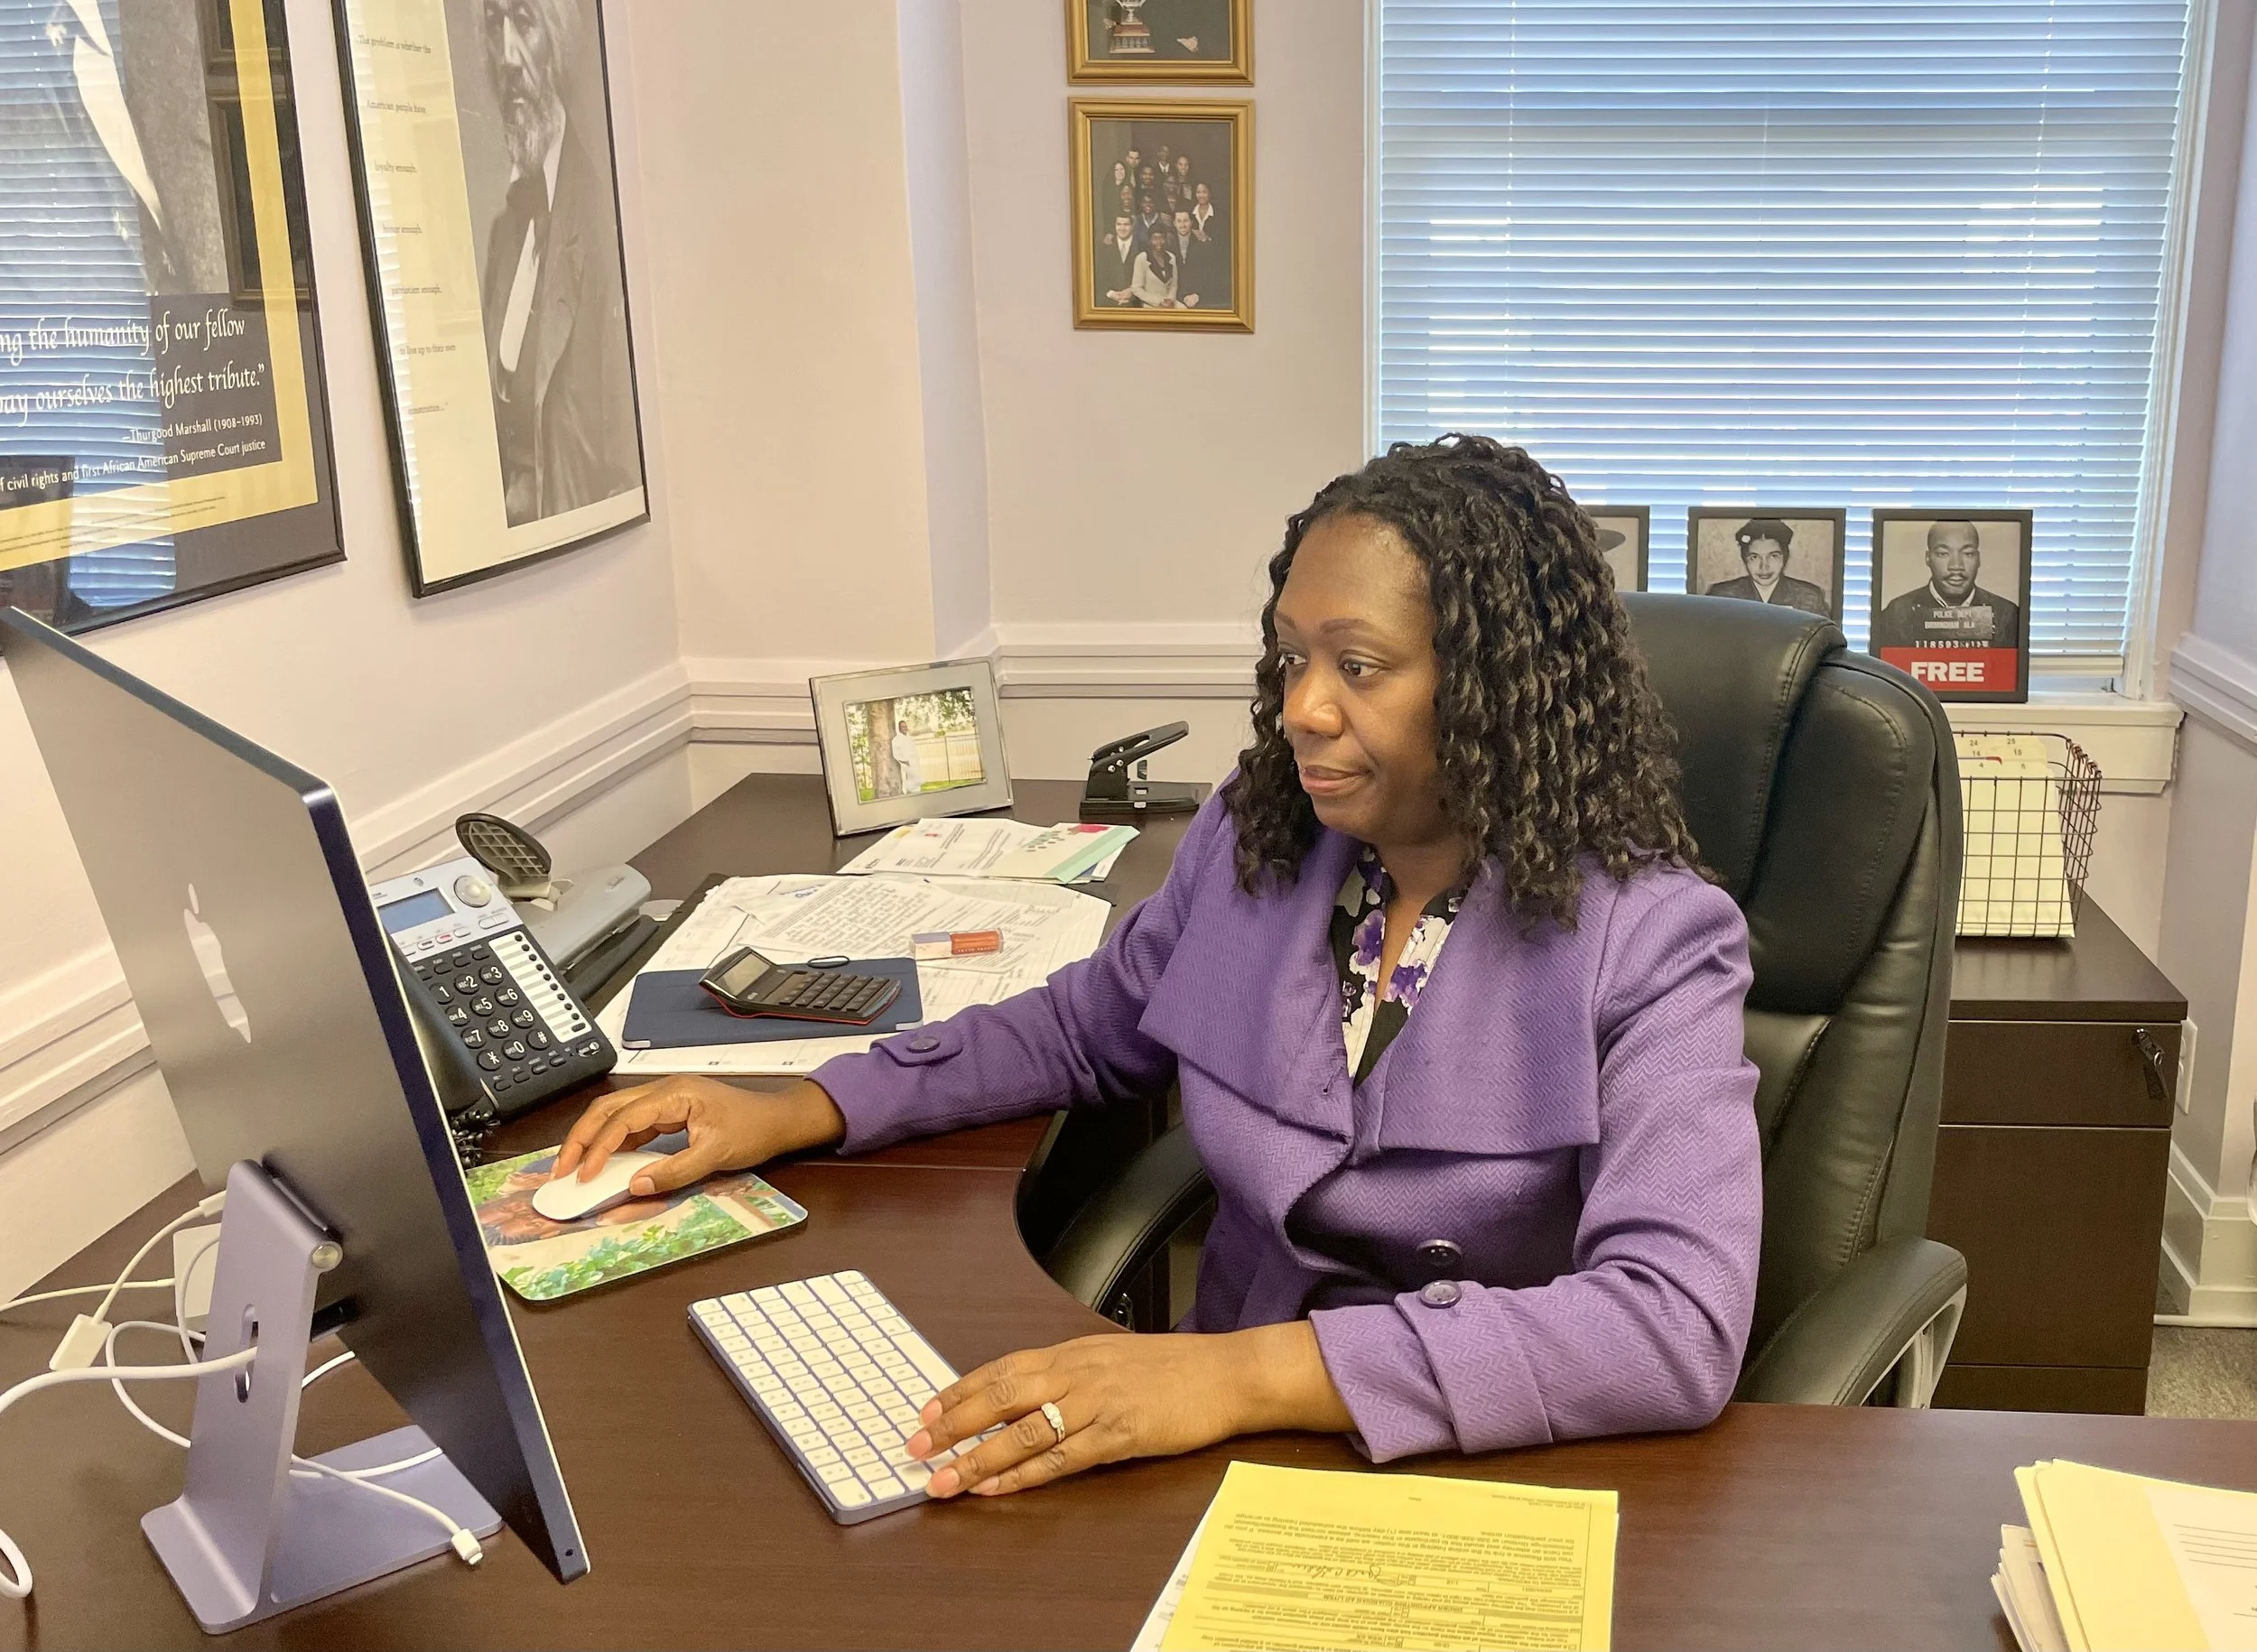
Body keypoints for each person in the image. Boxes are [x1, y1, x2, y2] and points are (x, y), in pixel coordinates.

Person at [553, 435, 1761, 1500]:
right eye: (1291, 658)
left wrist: (1239, 1375)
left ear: (1493, 691)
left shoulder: (1653, 937)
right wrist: (806, 1104)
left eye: (1358, 665)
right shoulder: (1264, 836)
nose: (1304, 708)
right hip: (1208, 1433)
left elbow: (1673, 1325)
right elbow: (1085, 1025)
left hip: (1476, 1452)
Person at [476, 0, 640, 526]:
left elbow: (627, 472)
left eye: (524, 22)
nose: (506, 55)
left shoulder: (602, 220)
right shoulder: (505, 235)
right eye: (494, 25)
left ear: (559, 38)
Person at [1872, 520, 2023, 649]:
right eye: (1943, 554)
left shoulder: (2006, 615)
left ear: (1978, 559)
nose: (1956, 566)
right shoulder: (1897, 613)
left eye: (1967, 554)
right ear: (1928, 558)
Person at [1704, 518, 1830, 616]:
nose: (1764, 567)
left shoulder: (1809, 597)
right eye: (1754, 557)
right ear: (1745, 559)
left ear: (1785, 557)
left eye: (1773, 556)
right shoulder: (1721, 596)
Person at [1130, 226, 1179, 308]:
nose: (1158, 242)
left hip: (1170, 303)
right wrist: (1159, 301)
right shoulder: (1142, 258)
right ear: (1150, 240)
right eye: (1155, 239)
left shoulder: (1171, 257)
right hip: (1150, 305)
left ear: (1166, 239)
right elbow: (1136, 288)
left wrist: (1170, 300)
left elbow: (1174, 285)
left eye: (1162, 238)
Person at [1099, 213, 1141, 305]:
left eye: (1126, 224)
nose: (1122, 228)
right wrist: (1111, 293)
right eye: (1119, 224)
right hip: (1109, 303)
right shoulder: (1104, 248)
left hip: (1136, 302)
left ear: (1132, 226)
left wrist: (1132, 290)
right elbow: (1099, 276)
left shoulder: (1142, 247)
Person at [890, 719, 924, 795]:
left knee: (916, 780)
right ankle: (907, 792)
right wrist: (905, 761)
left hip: (914, 763)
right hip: (906, 764)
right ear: (899, 728)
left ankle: (916, 794)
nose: (905, 728)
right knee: (914, 779)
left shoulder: (909, 738)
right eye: (903, 727)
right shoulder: (897, 739)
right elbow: (895, 753)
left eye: (905, 726)